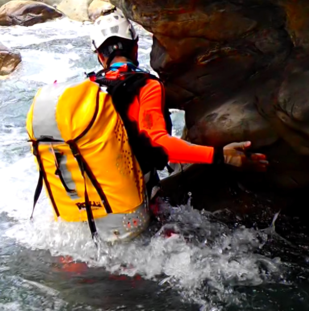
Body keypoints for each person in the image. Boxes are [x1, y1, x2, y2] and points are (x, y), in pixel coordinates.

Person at [88, 10, 268, 199]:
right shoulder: (146, 86)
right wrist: (223, 156)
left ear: (100, 56)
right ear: (135, 47)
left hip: (89, 194)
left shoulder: (89, 88)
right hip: (130, 197)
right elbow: (160, 145)